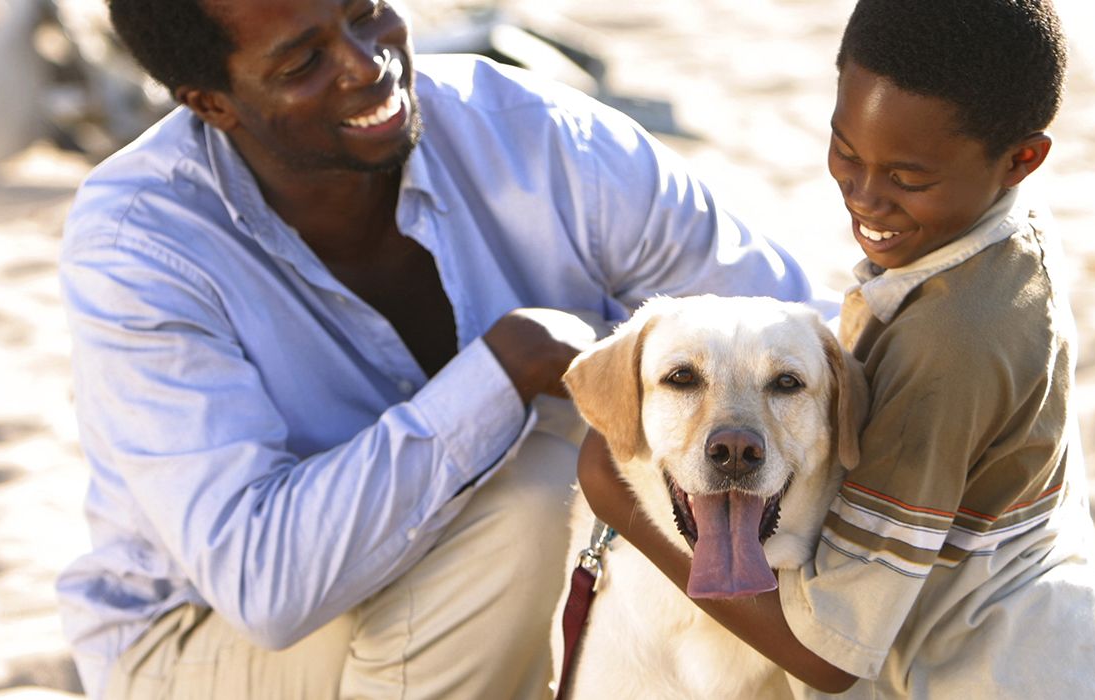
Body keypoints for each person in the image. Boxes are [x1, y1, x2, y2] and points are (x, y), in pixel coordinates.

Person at [52, 0, 819, 697]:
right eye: (302, 62)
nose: (366, 61)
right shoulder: (140, 245)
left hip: (458, 594)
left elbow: (784, 321)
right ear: (210, 103)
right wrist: (505, 369)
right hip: (201, 638)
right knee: (540, 497)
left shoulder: (536, 135)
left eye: (367, 11)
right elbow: (263, 586)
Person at [576, 0, 1095, 697]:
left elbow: (831, 657)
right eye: (845, 151)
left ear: (1022, 159)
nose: (865, 196)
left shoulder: (952, 343)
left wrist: (613, 498)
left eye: (908, 177)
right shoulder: (1000, 245)